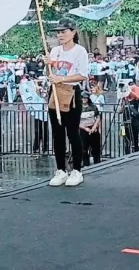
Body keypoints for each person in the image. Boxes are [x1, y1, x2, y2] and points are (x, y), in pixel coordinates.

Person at [47, 17, 89, 187]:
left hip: (71, 92)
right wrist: (47, 66)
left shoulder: (80, 51)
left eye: (63, 31)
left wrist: (61, 78)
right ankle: (60, 170)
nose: (60, 35)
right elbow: (51, 74)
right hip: (55, 93)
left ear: (73, 32)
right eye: (58, 32)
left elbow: (82, 74)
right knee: (57, 134)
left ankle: (77, 169)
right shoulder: (54, 51)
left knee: (72, 133)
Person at [78, 92, 101, 167]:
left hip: (93, 129)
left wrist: (95, 127)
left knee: (96, 148)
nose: (84, 99)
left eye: (85, 98)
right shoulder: (78, 108)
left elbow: (98, 117)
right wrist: (85, 128)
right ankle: (86, 164)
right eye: (82, 98)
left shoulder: (93, 107)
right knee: (84, 149)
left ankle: (97, 163)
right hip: (83, 130)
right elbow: (76, 121)